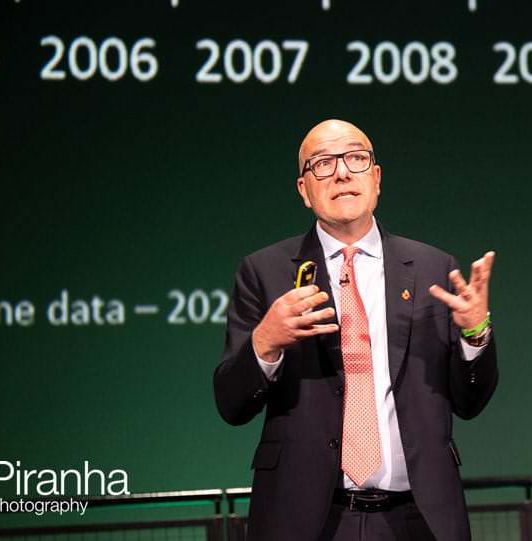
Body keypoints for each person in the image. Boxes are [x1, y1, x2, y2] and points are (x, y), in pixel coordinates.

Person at [213, 119, 498, 540]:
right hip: (308, 519)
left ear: (376, 178)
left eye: (355, 158)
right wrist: (265, 342)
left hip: (417, 517)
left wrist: (476, 334)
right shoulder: (264, 272)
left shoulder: (434, 268)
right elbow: (232, 405)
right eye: (323, 163)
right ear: (303, 190)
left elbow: (469, 401)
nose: (342, 172)